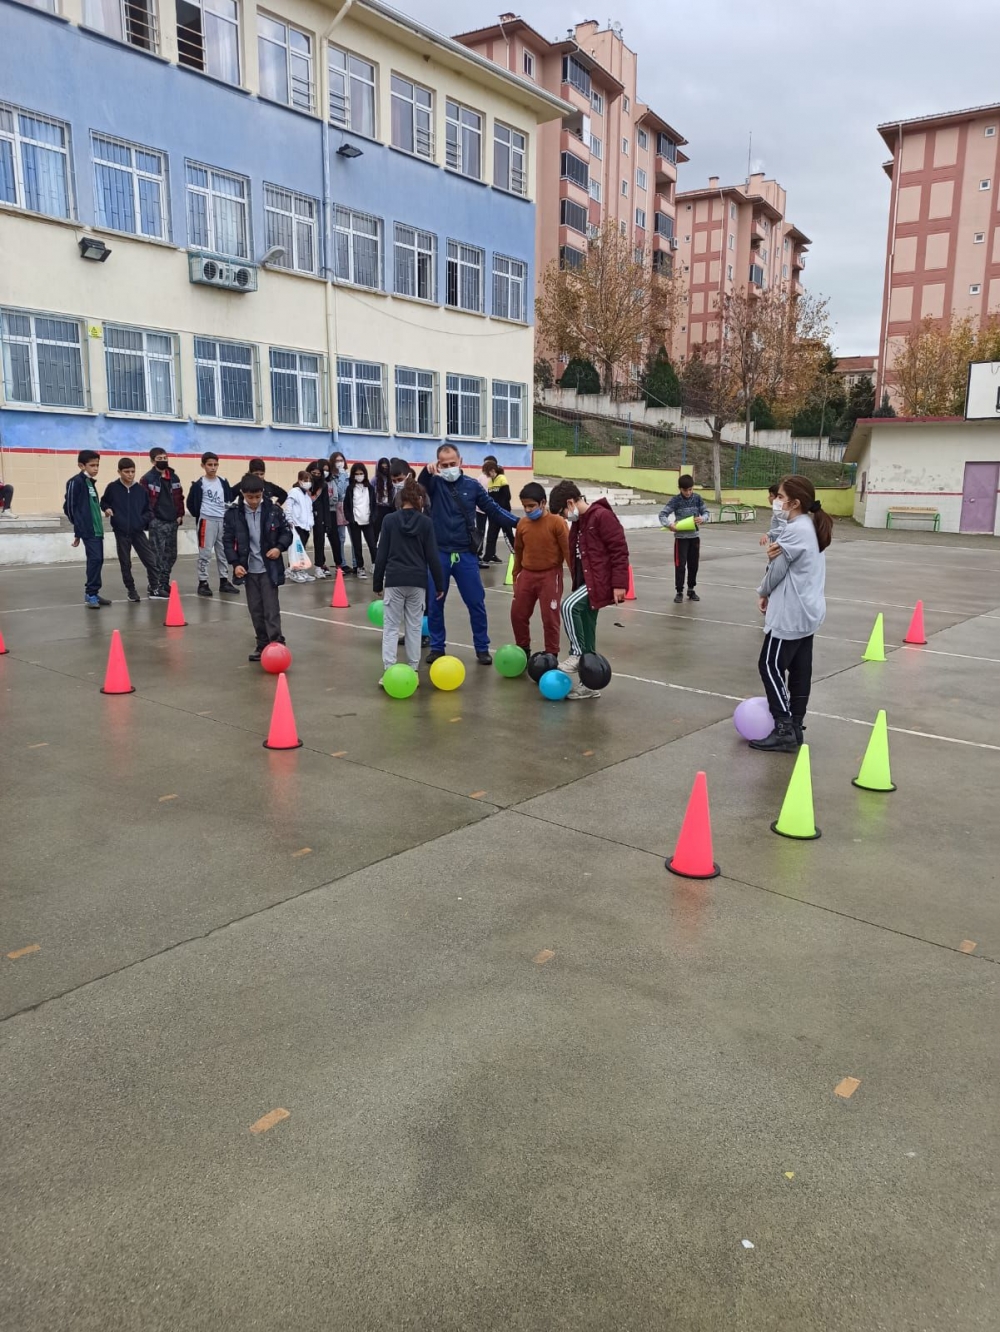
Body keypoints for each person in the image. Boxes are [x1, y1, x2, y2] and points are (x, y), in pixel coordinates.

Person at [750, 474, 832, 753]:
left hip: (790, 612)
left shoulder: (797, 530)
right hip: (807, 611)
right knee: (799, 669)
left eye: (781, 497)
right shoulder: (806, 524)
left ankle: (784, 725)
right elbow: (778, 537)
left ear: (795, 502)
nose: (776, 501)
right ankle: (796, 726)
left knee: (769, 665)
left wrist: (763, 592)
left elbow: (777, 569)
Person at [418, 444, 519, 666]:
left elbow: (493, 509)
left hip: (465, 555)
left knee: (476, 602)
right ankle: (437, 647)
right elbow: (418, 489)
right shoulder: (433, 484)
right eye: (444, 465)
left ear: (460, 461)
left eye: (452, 464)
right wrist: (427, 471)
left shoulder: (472, 486)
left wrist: (519, 523)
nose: (449, 468)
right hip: (439, 554)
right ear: (438, 464)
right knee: (435, 604)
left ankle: (482, 647)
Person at [548, 480, 629, 700]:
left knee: (567, 605)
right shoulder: (579, 523)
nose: (565, 519)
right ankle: (589, 684)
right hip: (584, 584)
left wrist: (620, 584)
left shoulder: (601, 516)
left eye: (563, 513)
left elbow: (619, 550)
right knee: (587, 634)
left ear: (570, 502)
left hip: (598, 584)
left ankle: (575, 654)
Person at [372, 476, 445, 684]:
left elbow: (382, 553)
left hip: (395, 580)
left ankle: (389, 670)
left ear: (399, 500)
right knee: (414, 627)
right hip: (417, 581)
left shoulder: (389, 521)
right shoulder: (426, 523)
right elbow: (432, 556)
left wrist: (378, 583)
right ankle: (413, 670)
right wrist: (439, 585)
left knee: (391, 627)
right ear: (419, 500)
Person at [223, 473, 293, 662]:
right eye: (249, 497)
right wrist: (236, 564)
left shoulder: (273, 511)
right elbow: (227, 541)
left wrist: (278, 548)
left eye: (257, 497)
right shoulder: (233, 514)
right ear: (242, 494)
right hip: (248, 570)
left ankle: (276, 643)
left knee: (271, 609)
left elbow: (287, 534)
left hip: (268, 569)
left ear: (263, 493)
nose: (254, 501)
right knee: (255, 609)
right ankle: (262, 643)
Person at [510, 482, 570, 659]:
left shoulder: (557, 523)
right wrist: (516, 577)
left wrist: (578, 580)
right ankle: (523, 649)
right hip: (527, 575)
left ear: (543, 503)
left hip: (550, 576)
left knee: (550, 618)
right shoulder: (522, 524)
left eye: (531, 506)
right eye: (524, 506)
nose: (528, 510)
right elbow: (518, 551)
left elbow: (568, 552)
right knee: (517, 614)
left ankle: (552, 654)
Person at [100, 457, 157, 602]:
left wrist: (141, 521)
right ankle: (131, 590)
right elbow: (104, 502)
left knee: (151, 560)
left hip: (138, 532)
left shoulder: (140, 490)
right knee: (125, 563)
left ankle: (154, 586)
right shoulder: (112, 488)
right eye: (126, 472)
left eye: (132, 471)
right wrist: (107, 509)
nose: (130, 474)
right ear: (119, 471)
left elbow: (148, 511)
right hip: (121, 532)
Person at [187, 451, 239, 598]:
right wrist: (201, 515)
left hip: (222, 521)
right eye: (210, 465)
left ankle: (224, 580)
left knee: (223, 552)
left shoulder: (222, 482)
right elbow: (191, 504)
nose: (213, 467)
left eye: (215, 464)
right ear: (203, 465)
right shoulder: (199, 484)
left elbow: (228, 500)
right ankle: (203, 582)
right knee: (205, 553)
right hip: (206, 521)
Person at [64, 450, 109, 608]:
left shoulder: (90, 483)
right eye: (92, 465)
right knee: (95, 559)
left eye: (97, 465)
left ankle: (94, 592)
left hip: (97, 529)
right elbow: (69, 507)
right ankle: (90, 594)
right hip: (88, 529)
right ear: (81, 466)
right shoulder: (75, 482)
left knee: (98, 560)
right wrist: (78, 527)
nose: (95, 468)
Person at [140, 447, 184, 597]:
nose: (163, 460)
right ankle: (155, 586)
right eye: (160, 458)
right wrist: (150, 519)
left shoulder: (174, 477)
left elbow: (180, 497)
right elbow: (143, 502)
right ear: (153, 461)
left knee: (171, 555)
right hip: (157, 522)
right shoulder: (147, 479)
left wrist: (180, 515)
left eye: (165, 457)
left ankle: (164, 583)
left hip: (173, 521)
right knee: (156, 556)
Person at [659, 474, 708, 603]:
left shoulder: (697, 498)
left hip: (694, 538)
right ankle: (679, 591)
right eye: (685, 490)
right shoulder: (675, 500)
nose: (688, 492)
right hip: (681, 539)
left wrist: (702, 518)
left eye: (690, 489)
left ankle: (691, 589)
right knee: (680, 565)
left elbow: (706, 512)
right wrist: (670, 524)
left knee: (693, 565)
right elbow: (662, 514)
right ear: (680, 489)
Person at [481, 461, 518, 567]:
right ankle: (487, 557)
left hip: (503, 513)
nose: (487, 476)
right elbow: (489, 498)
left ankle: (517, 553)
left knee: (508, 535)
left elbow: (507, 496)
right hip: (493, 514)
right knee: (491, 536)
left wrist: (500, 509)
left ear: (492, 471)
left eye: (488, 473)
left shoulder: (502, 479)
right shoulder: (490, 483)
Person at [344, 461, 377, 579]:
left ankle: (375, 565)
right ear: (353, 475)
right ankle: (360, 567)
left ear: (365, 474)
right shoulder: (350, 489)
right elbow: (346, 505)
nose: (359, 475)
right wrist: (350, 518)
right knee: (357, 546)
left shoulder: (370, 488)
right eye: (356, 473)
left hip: (368, 521)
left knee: (372, 545)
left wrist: (373, 517)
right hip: (355, 522)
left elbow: (373, 504)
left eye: (361, 473)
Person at [284, 471, 317, 582]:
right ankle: (294, 570)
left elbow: (309, 511)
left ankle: (300, 569)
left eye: (309, 480)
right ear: (299, 481)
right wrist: (289, 519)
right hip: (296, 525)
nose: (307, 483)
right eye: (305, 480)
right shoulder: (294, 492)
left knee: (302, 550)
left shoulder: (307, 496)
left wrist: (311, 523)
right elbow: (289, 506)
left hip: (306, 527)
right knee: (296, 549)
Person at [306, 460, 332, 578]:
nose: (315, 475)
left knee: (319, 542)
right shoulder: (302, 485)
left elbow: (326, 504)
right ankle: (295, 566)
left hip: (319, 516)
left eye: (318, 473)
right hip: (304, 517)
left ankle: (318, 567)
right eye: (313, 473)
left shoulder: (323, 486)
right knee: (300, 542)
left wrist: (327, 522)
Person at [329, 450, 349, 569]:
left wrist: (344, 475)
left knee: (343, 537)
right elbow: (340, 492)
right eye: (337, 461)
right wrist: (341, 476)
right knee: (338, 537)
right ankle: (341, 563)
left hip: (345, 507)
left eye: (341, 460)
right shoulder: (332, 477)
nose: (340, 463)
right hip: (334, 508)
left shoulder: (347, 475)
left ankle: (348, 563)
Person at [475, 454, 498, 558]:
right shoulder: (480, 478)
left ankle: (490, 554)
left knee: (492, 533)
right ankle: (478, 553)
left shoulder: (498, 478)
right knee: (480, 531)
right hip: (480, 510)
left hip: (493, 509)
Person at [373, 457, 395, 543]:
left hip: (389, 508)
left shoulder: (392, 479)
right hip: (378, 508)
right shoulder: (375, 480)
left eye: (386, 467)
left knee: (388, 533)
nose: (384, 469)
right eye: (383, 467)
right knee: (375, 533)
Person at [760, 482, 787, 548]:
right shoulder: (778, 510)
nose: (769, 498)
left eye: (771, 495)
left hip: (780, 544)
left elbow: (785, 526)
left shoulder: (779, 511)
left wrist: (768, 534)